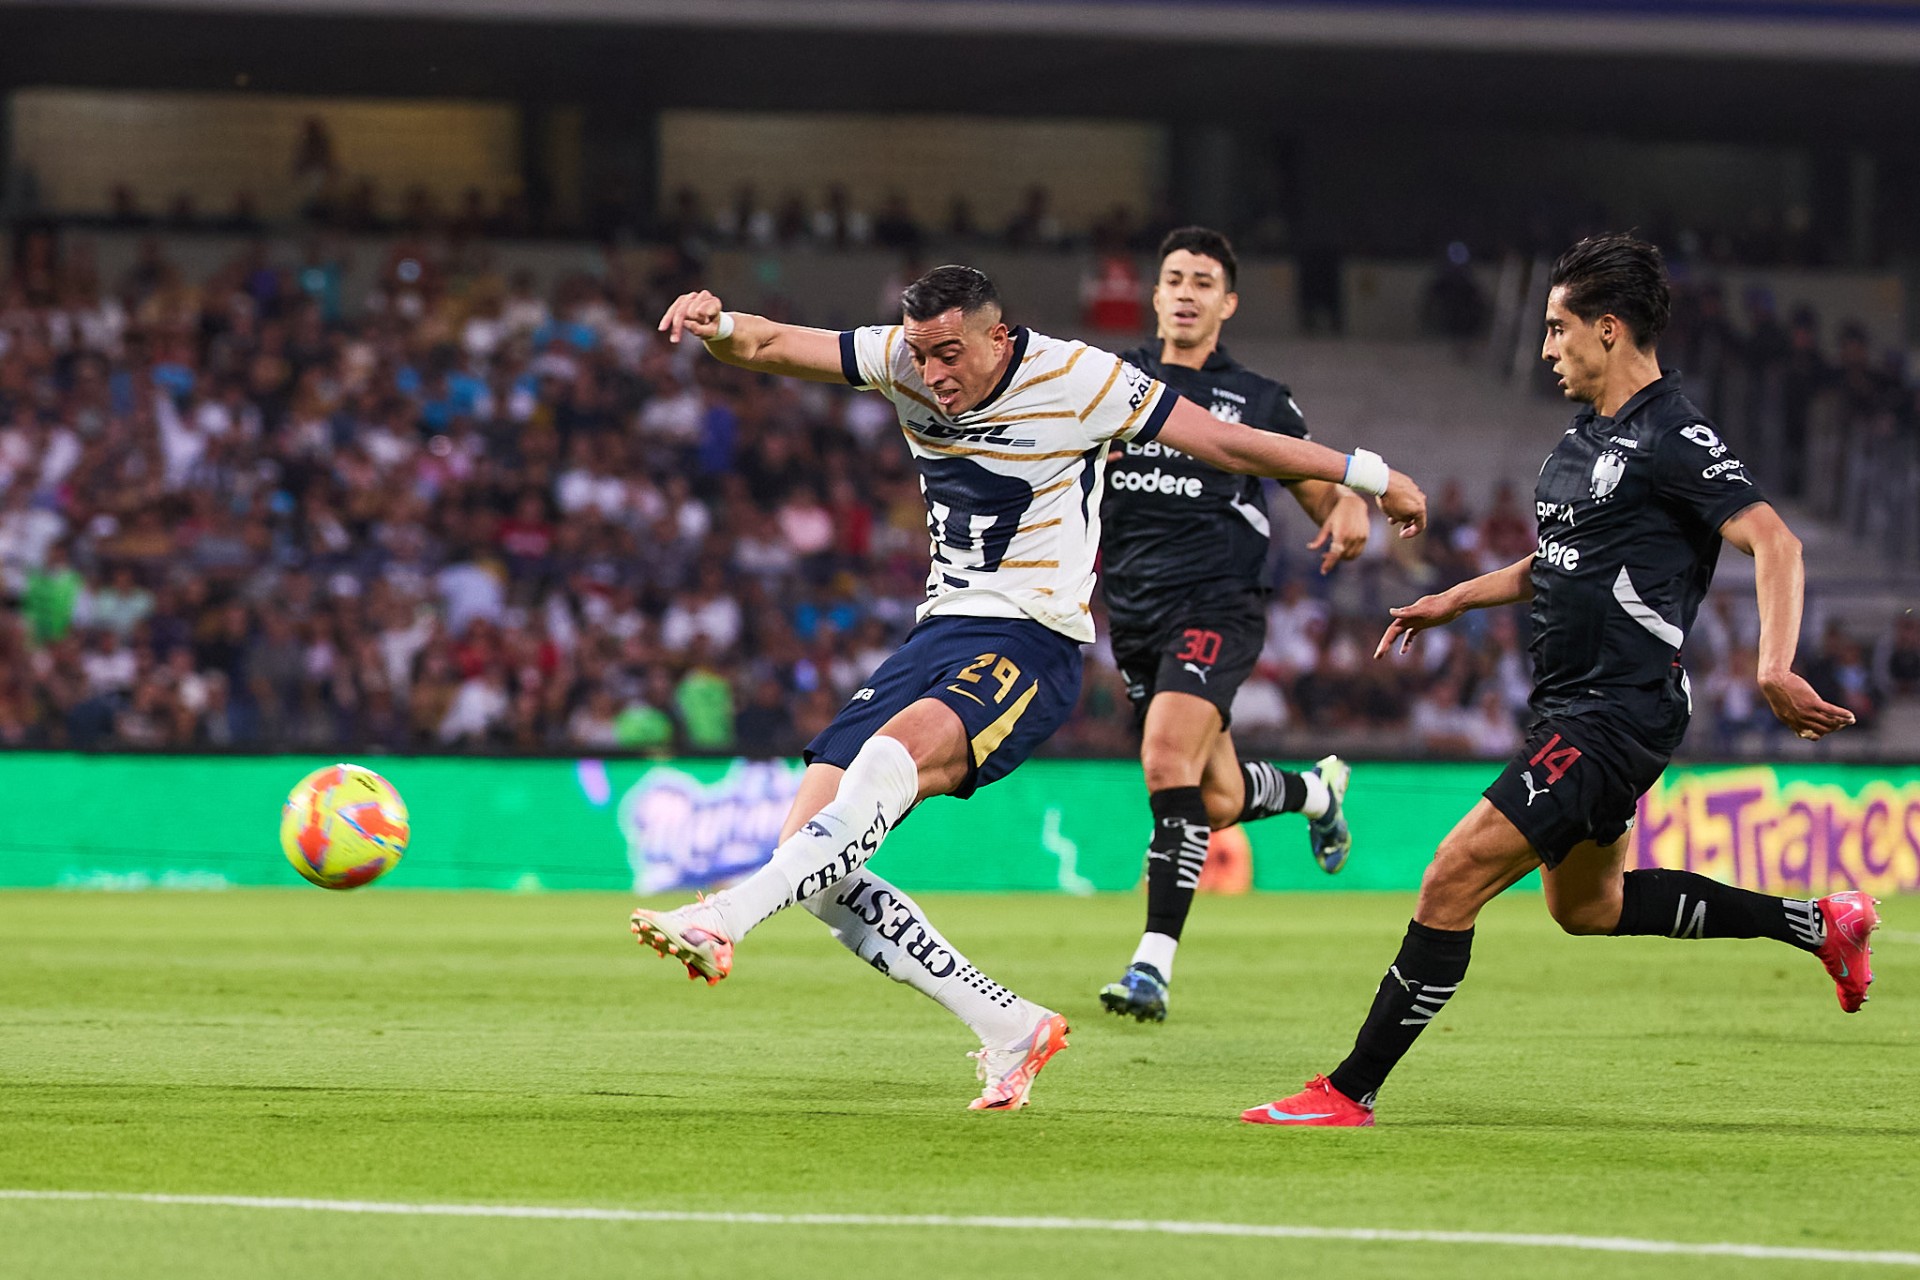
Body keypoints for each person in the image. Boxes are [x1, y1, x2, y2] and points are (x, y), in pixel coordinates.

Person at [636, 265, 1428, 1111]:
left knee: (885, 765)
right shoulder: (901, 358)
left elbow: (1227, 444)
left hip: (1031, 637)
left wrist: (1366, 474)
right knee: (814, 858)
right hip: (937, 632)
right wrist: (719, 324)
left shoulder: (1079, 377)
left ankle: (722, 918)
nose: (932, 374)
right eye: (920, 355)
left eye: (949, 355)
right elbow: (767, 343)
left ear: (998, 336)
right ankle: (1009, 1025)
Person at [1242, 235, 1872, 1129]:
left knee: (1450, 878)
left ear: (1607, 329)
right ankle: (1819, 924)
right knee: (1588, 907)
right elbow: (1562, 563)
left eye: (1556, 328)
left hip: (1617, 712)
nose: (1546, 349)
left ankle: (1348, 1091)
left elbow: (1776, 540)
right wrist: (1456, 598)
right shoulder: (1581, 442)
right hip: (1571, 706)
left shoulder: (1674, 436)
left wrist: (1774, 665)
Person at [1096, 227, 1374, 1024]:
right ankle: (1315, 793)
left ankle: (1151, 967)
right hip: (1135, 613)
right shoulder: (1112, 384)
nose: (1186, 293)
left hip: (1218, 603)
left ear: (1228, 303)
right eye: (1175, 278)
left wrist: (1350, 505)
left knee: (1163, 760)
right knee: (1212, 798)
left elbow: (1321, 492)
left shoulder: (1257, 400)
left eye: (1203, 282)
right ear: (1155, 295)